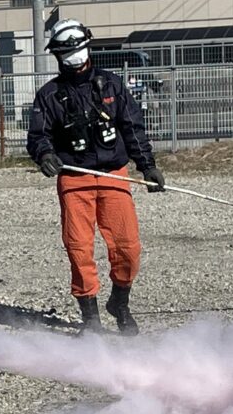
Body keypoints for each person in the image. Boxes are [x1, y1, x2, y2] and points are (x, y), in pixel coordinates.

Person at [26, 19, 165, 336]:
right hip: (75, 179)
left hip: (115, 175)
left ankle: (120, 301)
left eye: (76, 48)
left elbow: (132, 128)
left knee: (128, 247)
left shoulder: (112, 85)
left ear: (87, 46)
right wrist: (45, 155)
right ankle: (90, 318)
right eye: (66, 51)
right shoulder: (49, 95)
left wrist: (148, 166)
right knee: (79, 249)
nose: (73, 56)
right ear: (58, 56)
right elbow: (38, 136)